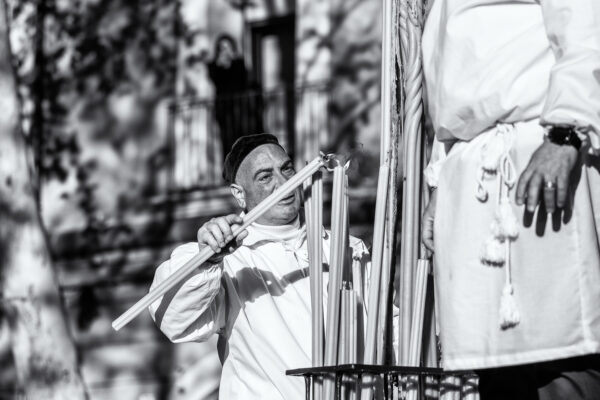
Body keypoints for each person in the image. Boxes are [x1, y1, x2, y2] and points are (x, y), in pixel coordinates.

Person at [420, 1, 600, 399]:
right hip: (473, 178)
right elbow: (447, 78)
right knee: (496, 365)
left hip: (542, 148)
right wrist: (440, 178)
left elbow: (586, 27)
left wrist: (567, 132)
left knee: (562, 350)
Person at [148, 134, 370, 400]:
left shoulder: (348, 248)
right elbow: (173, 319)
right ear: (239, 195)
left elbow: (388, 330)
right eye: (265, 177)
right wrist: (209, 259)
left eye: (286, 168)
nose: (284, 182)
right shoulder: (227, 258)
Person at [208, 35, 263, 159]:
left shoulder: (239, 63)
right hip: (224, 108)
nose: (225, 51)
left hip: (240, 108)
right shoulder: (214, 66)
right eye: (222, 48)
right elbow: (215, 80)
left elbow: (242, 80)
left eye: (228, 47)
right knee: (226, 140)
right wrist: (220, 64)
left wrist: (231, 61)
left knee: (241, 137)